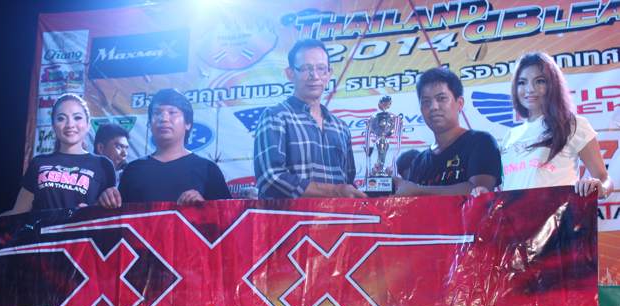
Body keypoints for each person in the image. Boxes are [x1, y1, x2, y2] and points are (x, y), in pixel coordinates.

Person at [474, 52, 612, 198]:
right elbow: (510, 187)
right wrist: (486, 196)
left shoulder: (573, 125)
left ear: (553, 85)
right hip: (515, 213)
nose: (530, 89)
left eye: (539, 81)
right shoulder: (511, 135)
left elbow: (605, 179)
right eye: (522, 82)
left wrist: (599, 187)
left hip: (558, 212)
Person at [254, 39, 366, 199]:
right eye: (306, 68)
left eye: (321, 68)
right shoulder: (275, 117)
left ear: (329, 74)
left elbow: (348, 181)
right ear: (290, 73)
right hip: (290, 216)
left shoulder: (340, 127)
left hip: (338, 215)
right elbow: (270, 178)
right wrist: (335, 191)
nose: (314, 76)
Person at [98, 89, 230, 207]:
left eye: (172, 112)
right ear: (149, 123)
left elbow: (227, 217)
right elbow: (119, 219)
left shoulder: (208, 169)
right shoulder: (133, 170)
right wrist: (106, 201)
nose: (164, 118)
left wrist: (204, 206)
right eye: (157, 113)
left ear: (188, 123)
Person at [0, 93, 116, 215]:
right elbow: (18, 212)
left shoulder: (103, 165)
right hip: (42, 228)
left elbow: (110, 214)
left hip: (82, 228)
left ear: (88, 124)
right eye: (61, 118)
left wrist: (92, 210)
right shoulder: (39, 163)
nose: (70, 125)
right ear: (53, 125)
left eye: (77, 117)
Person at [393, 68, 502, 196]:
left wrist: (418, 190)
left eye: (441, 98)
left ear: (459, 103)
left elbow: (479, 191)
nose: (433, 107)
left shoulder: (481, 142)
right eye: (426, 101)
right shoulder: (419, 162)